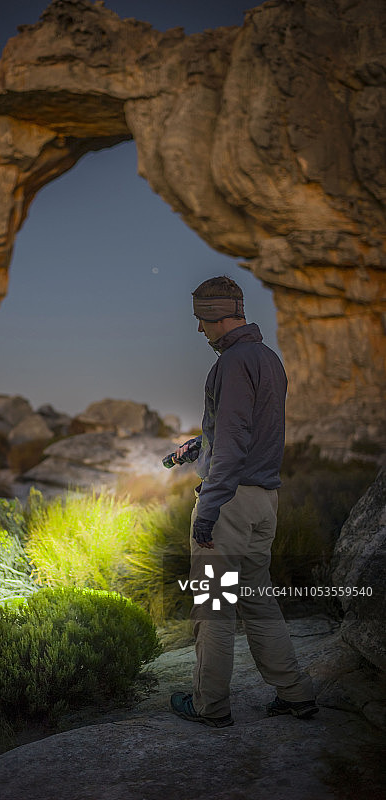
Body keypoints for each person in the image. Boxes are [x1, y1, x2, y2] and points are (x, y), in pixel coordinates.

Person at [169, 275, 318, 727]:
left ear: (217, 315)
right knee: (257, 600)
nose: (199, 330)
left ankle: (209, 705)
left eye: (201, 320)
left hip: (229, 503)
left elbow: (234, 443)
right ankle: (295, 694)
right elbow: (247, 430)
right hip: (264, 502)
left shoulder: (232, 363)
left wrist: (208, 509)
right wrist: (199, 445)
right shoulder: (268, 359)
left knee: (213, 606)